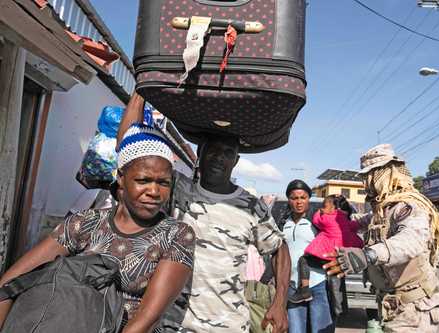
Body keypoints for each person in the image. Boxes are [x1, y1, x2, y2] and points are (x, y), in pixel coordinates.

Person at [117, 92, 291, 333]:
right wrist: (141, 90)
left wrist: (280, 302)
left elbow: (279, 249)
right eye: (213, 150)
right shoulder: (175, 188)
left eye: (227, 152)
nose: (219, 158)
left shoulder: (252, 207)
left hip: (226, 326)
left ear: (236, 160)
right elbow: (129, 152)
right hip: (170, 324)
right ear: (200, 153)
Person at [0, 124, 195, 332]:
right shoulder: (86, 222)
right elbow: (11, 284)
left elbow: (148, 318)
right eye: (143, 180)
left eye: (163, 183)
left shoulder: (176, 235)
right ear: (121, 178)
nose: (154, 191)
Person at [324, 144, 439, 333]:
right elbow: (364, 222)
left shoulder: (408, 206)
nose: (366, 184)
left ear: (386, 173)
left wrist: (369, 255)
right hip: (392, 306)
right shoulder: (383, 210)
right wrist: (342, 217)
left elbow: (411, 241)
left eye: (370, 176)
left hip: (413, 309)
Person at [289, 194, 363, 307]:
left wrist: (319, 212)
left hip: (325, 254)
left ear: (334, 209)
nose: (322, 208)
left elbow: (316, 220)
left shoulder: (328, 218)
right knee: (337, 283)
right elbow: (355, 226)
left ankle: (304, 290)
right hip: (340, 256)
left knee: (303, 261)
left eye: (324, 206)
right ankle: (340, 307)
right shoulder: (346, 220)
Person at [283, 180, 336, 333]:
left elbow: (333, 243)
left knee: (320, 330)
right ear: (289, 200)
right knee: (296, 330)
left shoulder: (318, 222)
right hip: (292, 286)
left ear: (308, 199)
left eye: (303, 197)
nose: (299, 202)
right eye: (294, 198)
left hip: (317, 284)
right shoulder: (283, 224)